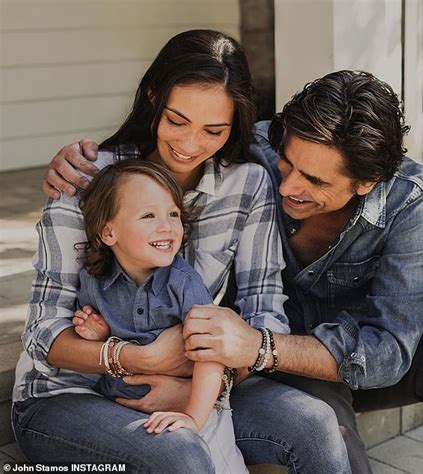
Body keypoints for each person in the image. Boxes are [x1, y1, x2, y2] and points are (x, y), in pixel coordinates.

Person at [46, 70, 423, 474]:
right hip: (266, 357)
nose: (288, 187)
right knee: (322, 413)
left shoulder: (411, 202)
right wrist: (86, 160)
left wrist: (257, 347)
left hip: (312, 350)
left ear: (368, 181)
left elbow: (388, 353)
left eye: (315, 181)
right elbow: (179, 142)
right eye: (288, 164)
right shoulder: (255, 144)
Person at [13, 29, 351, 474]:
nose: (190, 145)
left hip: (199, 385)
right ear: (154, 97)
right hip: (69, 396)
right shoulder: (85, 180)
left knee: (315, 424)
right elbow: (43, 332)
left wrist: (205, 385)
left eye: (214, 130)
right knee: (180, 452)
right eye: (177, 121)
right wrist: (138, 359)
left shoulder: (246, 185)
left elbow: (264, 312)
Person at [73, 159, 248, 473]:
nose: (167, 226)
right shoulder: (94, 281)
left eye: (173, 214)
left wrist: (194, 417)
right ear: (108, 232)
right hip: (121, 408)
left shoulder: (183, 284)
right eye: (148, 215)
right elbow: (113, 342)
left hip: (192, 407)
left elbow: (211, 356)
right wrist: (99, 335)